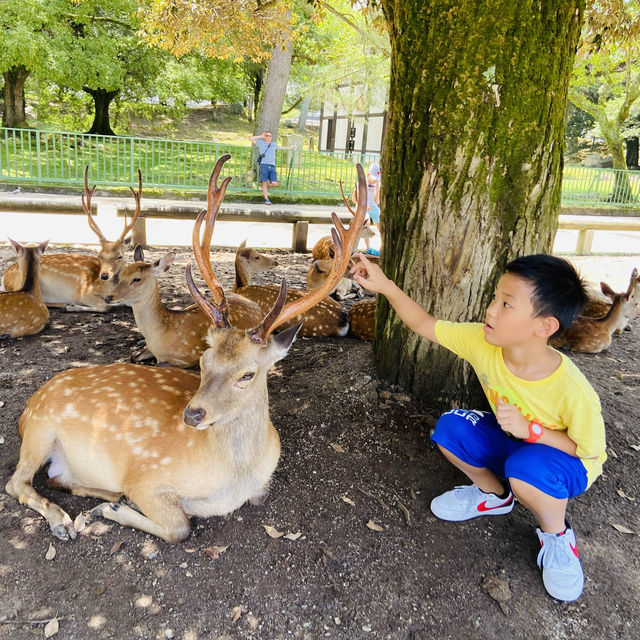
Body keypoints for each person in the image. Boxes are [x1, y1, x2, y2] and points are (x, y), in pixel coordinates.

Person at [350, 253, 606, 602]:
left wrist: (532, 432)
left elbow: (588, 450)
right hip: (515, 440)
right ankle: (495, 496)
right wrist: (384, 286)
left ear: (544, 326)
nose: (490, 310)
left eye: (506, 304)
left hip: (564, 462)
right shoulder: (482, 342)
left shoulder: (573, 391)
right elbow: (424, 324)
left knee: (525, 468)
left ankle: (558, 536)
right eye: (494, 298)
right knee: (451, 429)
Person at [249, 131, 295, 205]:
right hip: (264, 165)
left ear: (271, 137)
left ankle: (265, 188)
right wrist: (261, 136)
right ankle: (266, 199)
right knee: (264, 182)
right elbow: (251, 138)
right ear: (265, 136)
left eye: (269, 136)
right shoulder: (261, 143)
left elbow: (281, 148)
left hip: (272, 166)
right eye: (266, 135)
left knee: (274, 183)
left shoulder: (273, 144)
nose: (268, 137)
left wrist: (290, 148)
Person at [351, 162, 381, 255]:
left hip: (372, 206)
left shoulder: (377, 185)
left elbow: (376, 201)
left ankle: (383, 246)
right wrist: (363, 206)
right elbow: (354, 199)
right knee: (366, 222)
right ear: (368, 174)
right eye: (373, 179)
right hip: (362, 206)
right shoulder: (360, 184)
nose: (374, 181)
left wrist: (377, 189)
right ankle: (368, 248)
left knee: (380, 221)